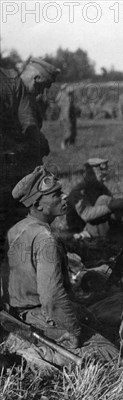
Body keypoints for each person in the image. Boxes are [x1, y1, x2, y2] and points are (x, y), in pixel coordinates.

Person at [4, 166, 119, 367]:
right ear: (38, 205)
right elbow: (52, 296)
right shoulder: (46, 239)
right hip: (41, 314)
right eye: (55, 194)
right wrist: (72, 331)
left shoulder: (16, 230)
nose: (64, 197)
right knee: (111, 353)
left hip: (17, 313)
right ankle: (37, 356)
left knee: (98, 322)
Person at [1, 57, 60, 302]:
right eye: (42, 85)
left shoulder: (11, 82)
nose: (42, 92)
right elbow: (30, 130)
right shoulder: (16, 86)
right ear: (35, 78)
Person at [66, 158, 123, 240]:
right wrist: (110, 207)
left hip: (96, 227)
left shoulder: (99, 186)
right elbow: (86, 214)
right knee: (103, 200)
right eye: (102, 176)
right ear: (90, 174)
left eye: (105, 176)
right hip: (81, 232)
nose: (105, 179)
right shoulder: (79, 191)